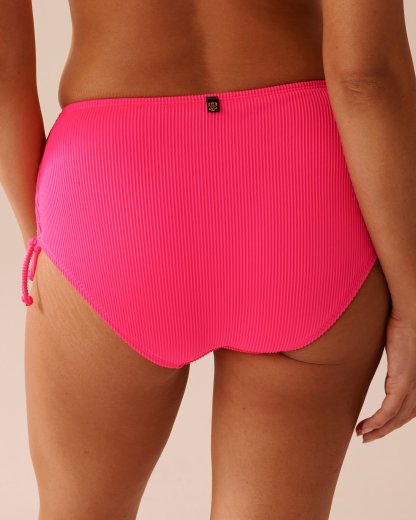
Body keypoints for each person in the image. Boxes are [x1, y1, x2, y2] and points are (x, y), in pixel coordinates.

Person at [1, 0, 416, 518]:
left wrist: (51, 243)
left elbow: (3, 71)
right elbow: (367, 77)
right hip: (305, 191)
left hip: (111, 188)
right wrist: (412, 301)